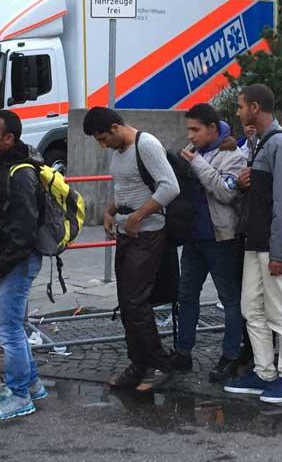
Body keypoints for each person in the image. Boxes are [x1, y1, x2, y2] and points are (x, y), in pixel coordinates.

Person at [84, 106, 179, 392]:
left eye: (102, 139)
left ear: (115, 128)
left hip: (147, 233)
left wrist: (138, 216)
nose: (102, 146)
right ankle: (139, 363)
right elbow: (124, 186)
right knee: (128, 302)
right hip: (127, 231)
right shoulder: (118, 150)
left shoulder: (146, 145)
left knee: (136, 301)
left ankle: (158, 364)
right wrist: (109, 211)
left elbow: (170, 187)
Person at [222, 84, 282, 402]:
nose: (239, 111)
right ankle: (264, 371)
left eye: (242, 106)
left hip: (273, 245)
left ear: (255, 107)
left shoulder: (280, 145)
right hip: (256, 241)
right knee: (251, 308)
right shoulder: (262, 143)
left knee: (281, 311)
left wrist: (280, 251)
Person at [0, 109, 50, 420]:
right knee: (15, 326)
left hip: (18, 260)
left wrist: (0, 267)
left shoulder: (19, 174)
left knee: (8, 329)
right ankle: (31, 384)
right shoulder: (4, 167)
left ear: (8, 139)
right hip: (11, 257)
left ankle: (20, 395)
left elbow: (22, 232)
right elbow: (5, 223)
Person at [175, 103, 247, 384]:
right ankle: (183, 351)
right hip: (194, 238)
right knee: (186, 296)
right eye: (188, 130)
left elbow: (225, 192)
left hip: (222, 238)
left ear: (212, 128)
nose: (190, 136)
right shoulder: (196, 151)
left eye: (196, 130)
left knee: (230, 299)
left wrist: (196, 163)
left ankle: (230, 356)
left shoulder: (232, 154)